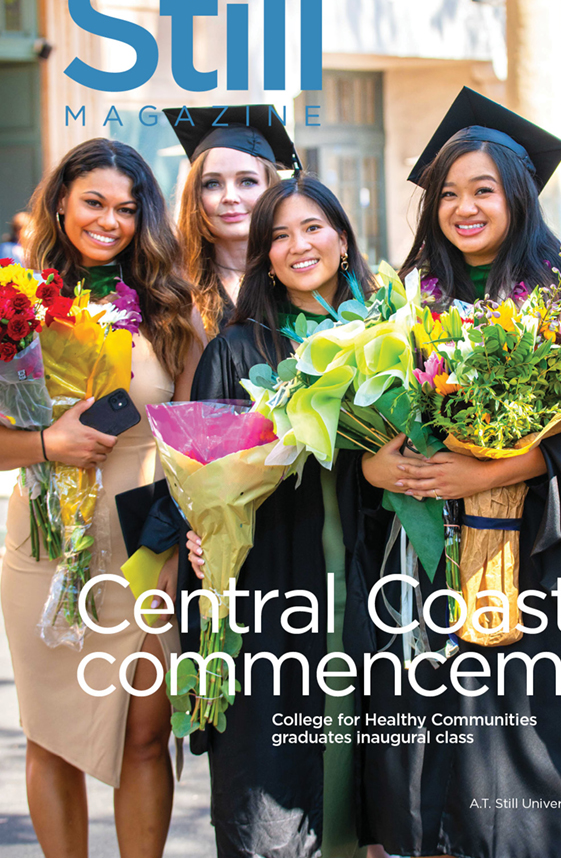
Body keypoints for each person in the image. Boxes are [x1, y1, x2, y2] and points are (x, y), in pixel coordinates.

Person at [357, 87, 561, 858]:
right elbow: (359, 429)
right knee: (423, 768)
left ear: (518, 198)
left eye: (483, 191)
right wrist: (378, 465)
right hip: (423, 569)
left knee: (525, 774)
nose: (463, 208)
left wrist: (496, 468)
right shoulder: (400, 302)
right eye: (448, 194)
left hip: (533, 569)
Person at [0, 138, 205, 858]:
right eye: (94, 202)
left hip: (144, 538)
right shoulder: (15, 307)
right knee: (50, 735)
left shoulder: (171, 313)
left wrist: (179, 548)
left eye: (126, 208)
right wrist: (48, 444)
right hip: (45, 539)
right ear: (61, 202)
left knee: (144, 734)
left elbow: (190, 443)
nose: (109, 221)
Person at [183, 175, 390, 858]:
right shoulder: (237, 351)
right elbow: (207, 486)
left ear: (342, 235)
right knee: (272, 790)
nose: (298, 246)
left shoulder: (389, 341)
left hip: (370, 578)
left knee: (369, 779)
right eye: (279, 235)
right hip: (274, 590)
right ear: (264, 256)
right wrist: (203, 535)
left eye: (312, 228)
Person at [165, 104, 301, 338]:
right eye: (212, 184)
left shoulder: (302, 271)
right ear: (195, 195)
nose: (229, 197)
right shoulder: (173, 287)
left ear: (272, 188)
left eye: (247, 181)